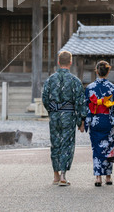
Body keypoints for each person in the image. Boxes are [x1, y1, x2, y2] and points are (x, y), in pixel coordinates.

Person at [42, 50, 87, 186]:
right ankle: (63, 175)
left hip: (55, 114)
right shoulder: (75, 81)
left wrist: (52, 111)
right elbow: (80, 102)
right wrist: (81, 121)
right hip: (68, 115)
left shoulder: (50, 79)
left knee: (55, 143)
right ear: (70, 62)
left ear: (58, 62)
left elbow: (45, 98)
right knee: (66, 144)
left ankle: (55, 176)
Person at [85, 60, 114, 187]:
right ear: (108, 72)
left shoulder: (90, 87)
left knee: (96, 148)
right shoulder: (113, 88)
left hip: (95, 121)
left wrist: (84, 122)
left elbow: (86, 106)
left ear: (96, 71)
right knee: (108, 147)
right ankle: (108, 177)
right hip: (108, 120)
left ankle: (98, 178)